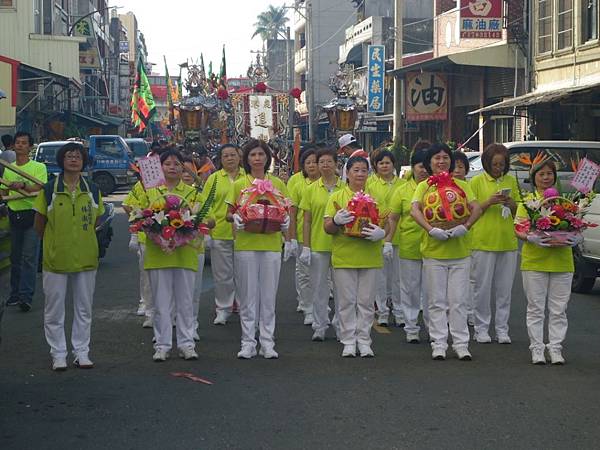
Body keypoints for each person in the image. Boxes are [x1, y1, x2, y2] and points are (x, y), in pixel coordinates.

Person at [32, 142, 104, 371]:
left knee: (84, 308)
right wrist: (54, 243)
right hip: (56, 258)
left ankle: (81, 352)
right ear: (62, 161)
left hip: (86, 257)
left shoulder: (92, 189)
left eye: (78, 156)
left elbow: (96, 220)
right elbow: (39, 224)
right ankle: (58, 353)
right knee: (54, 309)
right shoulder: (49, 189)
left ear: (83, 162)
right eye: (69, 156)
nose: (73, 159)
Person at [411, 143, 482, 361]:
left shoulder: (462, 184)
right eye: (436, 158)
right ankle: (439, 343)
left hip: (460, 252)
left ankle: (461, 344)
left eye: (445, 158)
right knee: (436, 301)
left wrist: (466, 226)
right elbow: (414, 210)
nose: (441, 161)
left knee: (458, 301)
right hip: (434, 252)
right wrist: (430, 229)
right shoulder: (424, 186)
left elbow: (476, 208)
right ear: (429, 163)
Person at [137, 149, 206, 362]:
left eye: (177, 164)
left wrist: (192, 226)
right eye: (168, 164)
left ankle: (187, 344)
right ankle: (162, 345)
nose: (173, 167)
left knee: (185, 302)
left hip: (185, 254)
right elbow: (138, 214)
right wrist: (152, 228)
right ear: (160, 167)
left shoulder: (193, 193)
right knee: (161, 303)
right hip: (158, 255)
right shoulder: (151, 191)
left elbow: (206, 219)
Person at [227, 139, 292, 359]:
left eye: (261, 155)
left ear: (267, 158)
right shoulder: (239, 183)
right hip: (245, 245)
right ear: (246, 159)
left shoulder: (278, 184)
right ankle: (248, 342)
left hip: (272, 245)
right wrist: (234, 217)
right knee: (247, 296)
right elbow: (229, 212)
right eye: (253, 155)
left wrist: (287, 230)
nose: (257, 158)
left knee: (268, 297)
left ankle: (267, 341)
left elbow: (286, 212)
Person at [514, 159, 579, 365]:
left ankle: (556, 348)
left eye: (549, 174)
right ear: (534, 178)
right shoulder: (528, 202)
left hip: (562, 262)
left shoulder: (565, 203)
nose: (545, 178)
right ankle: (537, 348)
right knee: (535, 308)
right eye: (541, 174)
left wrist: (577, 237)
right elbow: (519, 228)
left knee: (559, 309)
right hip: (535, 261)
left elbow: (577, 224)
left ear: (554, 177)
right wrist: (530, 237)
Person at [324, 156, 386, 357]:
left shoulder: (376, 195)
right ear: (347, 173)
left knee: (366, 302)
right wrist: (336, 220)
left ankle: (364, 340)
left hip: (370, 256)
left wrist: (382, 233)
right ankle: (348, 340)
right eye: (356, 170)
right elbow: (327, 228)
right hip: (345, 257)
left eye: (364, 170)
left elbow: (388, 221)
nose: (360, 174)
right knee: (346, 302)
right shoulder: (337, 196)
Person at [469, 144, 520, 344]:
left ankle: (502, 329)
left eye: (502, 164)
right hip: (482, 242)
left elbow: (519, 211)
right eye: (495, 164)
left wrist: (511, 203)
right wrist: (488, 202)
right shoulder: (476, 182)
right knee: (481, 288)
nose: (499, 168)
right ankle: (481, 328)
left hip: (507, 242)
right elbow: (470, 211)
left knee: (504, 290)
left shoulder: (510, 181)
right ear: (486, 164)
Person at [385, 148, 430, 343]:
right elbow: (393, 218)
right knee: (410, 289)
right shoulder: (402, 190)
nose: (425, 170)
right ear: (413, 167)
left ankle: (432, 328)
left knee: (431, 292)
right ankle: (411, 327)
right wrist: (387, 241)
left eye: (428, 166)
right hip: (410, 245)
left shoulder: (437, 188)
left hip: (435, 247)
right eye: (421, 166)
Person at [299, 147, 344, 341]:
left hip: (343, 246)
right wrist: (306, 246)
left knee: (342, 290)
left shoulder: (346, 188)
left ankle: (342, 325)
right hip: (318, 246)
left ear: (336, 164)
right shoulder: (310, 189)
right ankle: (319, 325)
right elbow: (307, 220)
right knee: (319, 288)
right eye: (322, 162)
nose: (325, 165)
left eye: (329, 161)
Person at [0, 131, 47, 311]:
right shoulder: (8, 168)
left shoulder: (38, 167)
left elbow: (40, 186)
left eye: (24, 143)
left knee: (29, 257)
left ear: (30, 147)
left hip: (33, 215)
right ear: (13, 146)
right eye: (17, 142)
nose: (20, 145)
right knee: (15, 257)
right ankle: (15, 294)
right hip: (14, 215)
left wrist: (23, 186)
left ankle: (26, 296)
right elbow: (3, 193)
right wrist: (8, 190)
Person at [201, 144, 244, 325]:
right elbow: (206, 205)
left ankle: (244, 307)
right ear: (221, 159)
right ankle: (223, 308)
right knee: (222, 275)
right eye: (225, 156)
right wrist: (207, 231)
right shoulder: (214, 179)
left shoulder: (247, 177)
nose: (230, 158)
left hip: (244, 234)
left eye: (233, 155)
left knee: (243, 274)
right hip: (220, 232)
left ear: (239, 157)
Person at [367, 149, 405, 326]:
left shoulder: (403, 184)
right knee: (380, 278)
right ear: (376, 166)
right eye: (381, 163)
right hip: (378, 235)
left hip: (399, 235)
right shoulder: (370, 184)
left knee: (398, 278)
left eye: (387, 163)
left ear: (393, 164)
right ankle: (382, 311)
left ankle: (398, 311)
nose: (384, 166)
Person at [289, 148, 320, 325]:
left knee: (325, 276)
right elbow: (292, 212)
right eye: (308, 162)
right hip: (303, 235)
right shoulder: (298, 183)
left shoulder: (331, 183)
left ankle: (320, 306)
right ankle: (307, 304)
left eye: (314, 162)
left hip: (325, 235)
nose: (312, 165)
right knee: (304, 273)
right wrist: (291, 237)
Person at [123, 180, 153, 327]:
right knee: (146, 273)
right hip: (146, 237)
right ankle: (146, 305)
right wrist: (140, 220)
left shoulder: (173, 183)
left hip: (170, 238)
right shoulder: (141, 184)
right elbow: (127, 204)